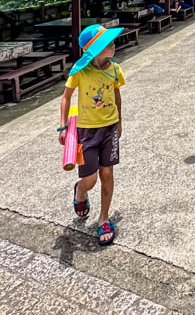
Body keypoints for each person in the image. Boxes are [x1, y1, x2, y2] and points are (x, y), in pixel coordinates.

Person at [58, 24, 126, 246]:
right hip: (86, 131)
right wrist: (63, 125)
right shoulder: (79, 71)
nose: (113, 45)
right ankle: (80, 190)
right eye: (107, 43)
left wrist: (119, 121)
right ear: (94, 49)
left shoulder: (115, 69)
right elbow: (66, 97)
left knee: (107, 172)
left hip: (109, 128)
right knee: (90, 179)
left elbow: (116, 95)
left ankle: (103, 218)